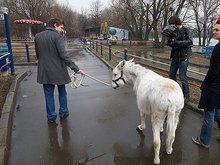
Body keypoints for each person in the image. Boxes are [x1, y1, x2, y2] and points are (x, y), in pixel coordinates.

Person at [34, 18, 83, 124]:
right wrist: (75, 68)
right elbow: (64, 55)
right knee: (62, 91)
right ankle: (63, 112)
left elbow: (38, 55)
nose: (62, 30)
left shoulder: (37, 36)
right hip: (59, 70)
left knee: (48, 94)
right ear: (55, 25)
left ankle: (51, 117)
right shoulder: (58, 37)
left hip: (45, 71)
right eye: (61, 27)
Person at [192, 16, 220, 148]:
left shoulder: (218, 49)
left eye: (216, 30)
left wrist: (205, 84)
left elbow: (213, 71)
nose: (213, 32)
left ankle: (204, 141)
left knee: (209, 114)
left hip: (213, 87)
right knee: (219, 111)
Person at [162, 16, 193, 102]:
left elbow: (190, 41)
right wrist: (170, 42)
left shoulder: (186, 29)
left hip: (184, 57)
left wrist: (176, 42)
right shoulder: (172, 31)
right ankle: (175, 92)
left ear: (176, 23)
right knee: (172, 75)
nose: (171, 26)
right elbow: (170, 42)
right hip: (175, 57)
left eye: (172, 24)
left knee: (183, 77)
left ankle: (186, 96)